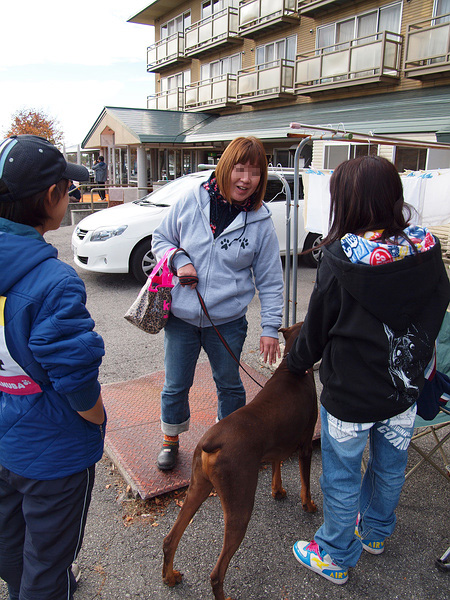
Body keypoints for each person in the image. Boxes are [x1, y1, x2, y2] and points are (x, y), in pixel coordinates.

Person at [287, 155, 450, 585]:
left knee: (341, 475)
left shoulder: (341, 256)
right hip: (403, 390)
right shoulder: (426, 248)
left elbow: (317, 326)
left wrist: (297, 363)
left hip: (350, 393)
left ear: (348, 202)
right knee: (390, 466)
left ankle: (336, 555)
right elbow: (436, 308)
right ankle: (375, 532)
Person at [0, 135, 106, 599]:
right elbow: (75, 375)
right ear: (51, 197)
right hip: (54, 449)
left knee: (9, 541)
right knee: (49, 562)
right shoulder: (53, 282)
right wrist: (97, 416)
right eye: (68, 188)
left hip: (6, 433)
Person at [152, 136, 284, 470]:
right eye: (240, 169)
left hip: (226, 321)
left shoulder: (260, 220)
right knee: (176, 384)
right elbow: (160, 239)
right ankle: (170, 439)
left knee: (229, 385)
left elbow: (270, 279)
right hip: (181, 317)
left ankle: (229, 441)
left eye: (255, 172)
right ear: (225, 168)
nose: (246, 179)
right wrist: (178, 259)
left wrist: (270, 327)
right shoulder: (190, 200)